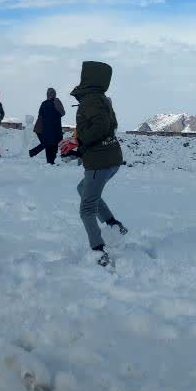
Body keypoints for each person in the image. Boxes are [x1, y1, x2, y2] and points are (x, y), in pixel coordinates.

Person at [70, 61, 128, 267]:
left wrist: (81, 142)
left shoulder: (90, 100)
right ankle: (114, 225)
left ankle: (98, 250)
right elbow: (110, 125)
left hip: (99, 162)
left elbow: (100, 127)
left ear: (88, 77)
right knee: (83, 188)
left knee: (87, 208)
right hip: (111, 159)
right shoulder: (101, 98)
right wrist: (79, 144)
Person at [28, 87, 66, 164]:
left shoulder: (44, 103)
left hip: (47, 129)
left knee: (48, 144)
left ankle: (49, 161)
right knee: (52, 144)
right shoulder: (56, 101)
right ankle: (50, 161)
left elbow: (40, 115)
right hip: (54, 128)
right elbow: (62, 113)